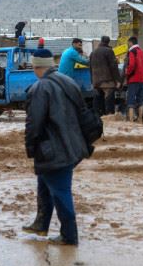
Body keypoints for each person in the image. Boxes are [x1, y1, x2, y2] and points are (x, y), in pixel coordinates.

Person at [22, 49, 91, 246]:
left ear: (36, 67)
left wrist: (30, 148)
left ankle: (69, 236)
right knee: (44, 183)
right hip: (72, 145)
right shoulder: (67, 81)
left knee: (61, 191)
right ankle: (41, 223)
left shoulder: (40, 88)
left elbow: (33, 124)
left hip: (53, 149)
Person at [89, 35, 121, 115]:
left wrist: (92, 81)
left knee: (98, 101)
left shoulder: (93, 52)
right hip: (107, 81)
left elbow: (90, 67)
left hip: (96, 81)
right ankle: (109, 118)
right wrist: (118, 80)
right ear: (108, 42)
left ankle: (98, 117)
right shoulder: (109, 51)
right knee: (109, 102)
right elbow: (113, 67)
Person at [124, 36, 143, 123]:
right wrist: (142, 75)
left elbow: (132, 65)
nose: (127, 45)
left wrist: (127, 72)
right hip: (142, 80)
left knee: (131, 100)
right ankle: (140, 120)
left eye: (128, 43)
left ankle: (131, 121)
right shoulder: (142, 52)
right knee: (140, 100)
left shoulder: (132, 52)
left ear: (130, 43)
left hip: (133, 80)